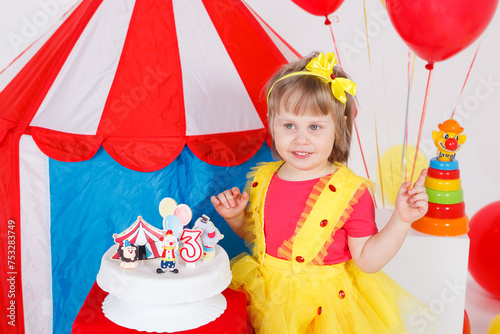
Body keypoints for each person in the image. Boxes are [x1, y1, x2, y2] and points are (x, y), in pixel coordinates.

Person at [211, 52, 437, 333]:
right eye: (289, 125)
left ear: (339, 127)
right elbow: (260, 237)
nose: (300, 138)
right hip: (266, 297)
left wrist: (401, 220)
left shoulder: (350, 192)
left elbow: (366, 260)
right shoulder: (264, 178)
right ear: (272, 122)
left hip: (324, 310)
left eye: (315, 127)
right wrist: (235, 218)